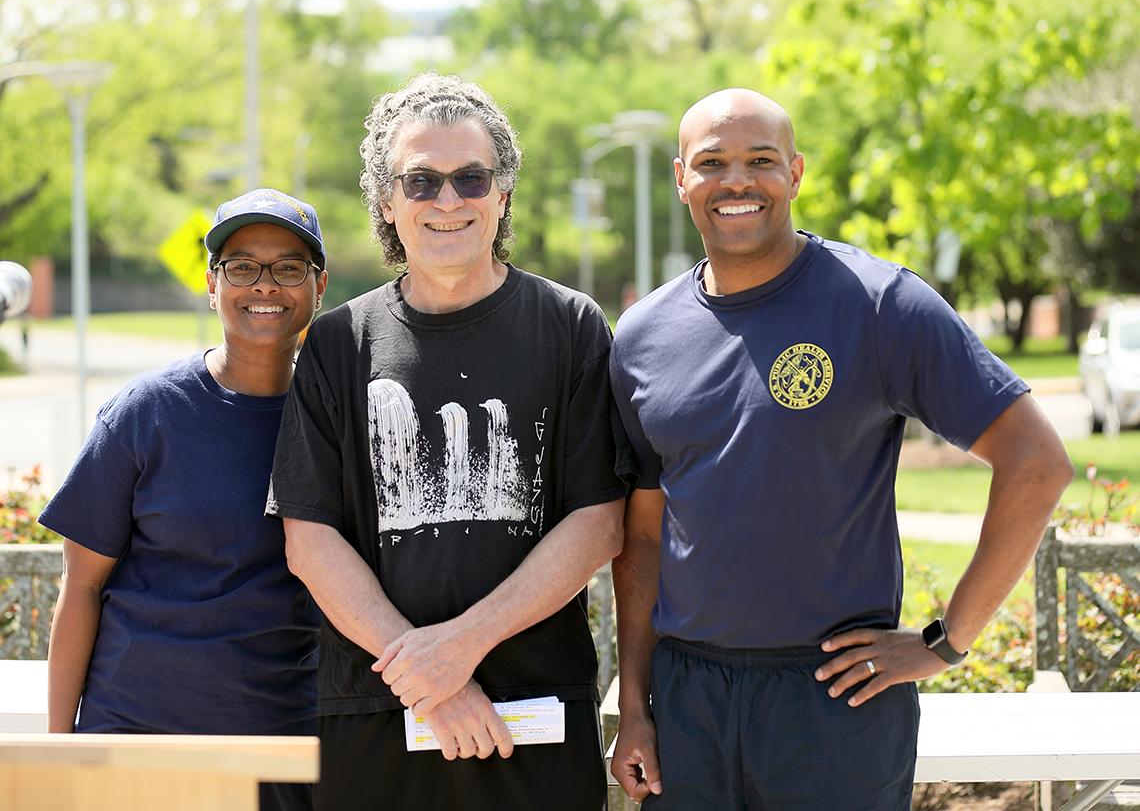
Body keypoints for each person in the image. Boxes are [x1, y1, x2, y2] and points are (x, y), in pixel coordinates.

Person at [607, 88, 1074, 810]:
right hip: (688, 700)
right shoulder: (641, 336)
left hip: (834, 698)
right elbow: (640, 537)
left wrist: (946, 641)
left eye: (761, 160)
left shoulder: (880, 303)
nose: (737, 180)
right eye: (712, 162)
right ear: (680, 179)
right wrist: (635, 705)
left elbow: (1038, 463)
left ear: (795, 175)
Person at [266, 73, 626, 811]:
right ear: (387, 202)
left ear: (502, 193)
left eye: (470, 177)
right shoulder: (339, 343)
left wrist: (458, 650)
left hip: (534, 714)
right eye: (421, 181)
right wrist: (430, 682)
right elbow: (309, 538)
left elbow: (598, 520)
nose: (448, 200)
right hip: (373, 716)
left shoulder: (571, 327)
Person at [42, 188, 327, 811]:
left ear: (318, 286)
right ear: (212, 282)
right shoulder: (146, 414)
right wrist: (59, 756)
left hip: (283, 744)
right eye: (242, 266)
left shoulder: (336, 419)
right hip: (137, 737)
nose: (265, 286)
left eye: (288, 268)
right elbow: (81, 587)